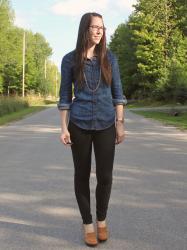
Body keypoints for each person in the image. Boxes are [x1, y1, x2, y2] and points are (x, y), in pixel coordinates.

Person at [57, 12, 127, 247]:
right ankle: (88, 225)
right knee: (82, 176)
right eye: (94, 27)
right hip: (79, 125)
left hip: (106, 123)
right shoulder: (69, 60)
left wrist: (120, 123)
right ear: (84, 29)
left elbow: (118, 94)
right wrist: (63, 128)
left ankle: (102, 220)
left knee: (105, 177)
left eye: (102, 28)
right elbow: (65, 97)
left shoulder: (111, 59)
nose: (99, 31)